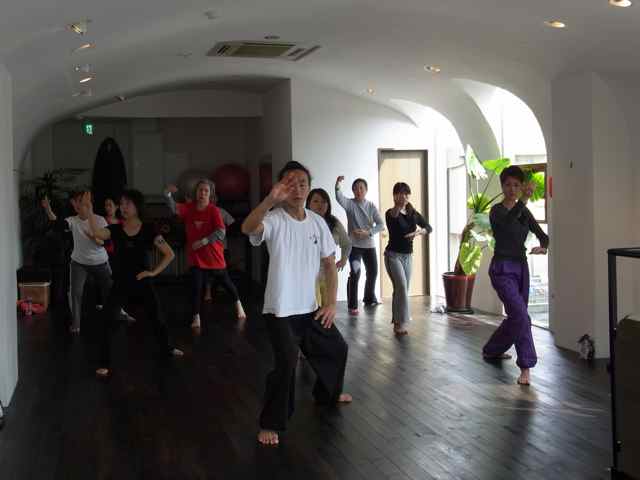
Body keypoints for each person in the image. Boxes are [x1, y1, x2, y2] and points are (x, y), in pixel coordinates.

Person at [242, 161, 352, 446]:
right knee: (287, 362)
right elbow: (247, 227)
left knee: (337, 348)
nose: (297, 188)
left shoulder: (317, 222)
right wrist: (269, 200)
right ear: (280, 188)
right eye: (290, 183)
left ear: (309, 187)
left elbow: (329, 265)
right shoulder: (274, 218)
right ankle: (271, 423)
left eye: (302, 183)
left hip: (310, 308)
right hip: (280, 310)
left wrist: (330, 304)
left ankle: (326, 394)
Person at [82, 190, 184, 378]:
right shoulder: (115, 229)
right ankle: (104, 362)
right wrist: (89, 211)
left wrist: (153, 272)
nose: (123, 207)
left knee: (157, 317)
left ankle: (168, 348)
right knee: (107, 319)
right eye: (121, 204)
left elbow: (169, 254)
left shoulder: (149, 229)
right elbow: (97, 233)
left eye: (127, 203)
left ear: (137, 206)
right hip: (120, 282)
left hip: (142, 281)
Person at [481, 166, 548, 386]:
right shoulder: (496, 211)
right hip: (502, 268)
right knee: (521, 316)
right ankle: (526, 367)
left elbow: (543, 236)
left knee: (516, 317)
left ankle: (492, 349)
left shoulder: (524, 211)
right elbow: (507, 224)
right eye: (508, 185)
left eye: (516, 185)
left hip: (521, 268)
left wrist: (543, 247)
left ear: (521, 187)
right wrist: (524, 201)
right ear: (502, 186)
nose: (512, 189)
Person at [164, 180, 246, 331]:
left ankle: (238, 304)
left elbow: (221, 232)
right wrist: (167, 194)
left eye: (206, 191)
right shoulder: (189, 208)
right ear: (196, 192)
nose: (202, 193)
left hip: (214, 256)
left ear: (210, 194)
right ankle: (196, 317)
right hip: (196, 257)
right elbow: (174, 208)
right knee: (196, 287)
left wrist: (203, 241)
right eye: (200, 190)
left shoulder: (214, 210)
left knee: (226, 283)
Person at [42, 191, 113, 334]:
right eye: (76, 202)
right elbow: (58, 225)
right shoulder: (73, 220)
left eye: (81, 201)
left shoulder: (100, 220)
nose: (78, 205)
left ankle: (113, 318)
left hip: (100, 262)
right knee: (75, 293)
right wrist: (48, 210)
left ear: (89, 204)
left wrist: (93, 237)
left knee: (110, 290)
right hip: (79, 262)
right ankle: (76, 324)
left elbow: (105, 243)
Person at [384, 182, 432, 335]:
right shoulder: (390, 212)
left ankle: (397, 322)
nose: (403, 196)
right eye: (400, 193)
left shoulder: (413, 213)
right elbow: (394, 216)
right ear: (394, 196)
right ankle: (402, 322)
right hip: (393, 256)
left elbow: (428, 227)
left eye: (406, 193)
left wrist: (417, 233)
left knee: (401, 289)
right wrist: (398, 206)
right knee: (402, 287)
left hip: (408, 256)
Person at [335, 176, 385, 315]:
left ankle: (369, 298)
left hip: (369, 246)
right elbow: (339, 197)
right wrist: (338, 184)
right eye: (356, 188)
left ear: (366, 190)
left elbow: (381, 225)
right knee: (355, 273)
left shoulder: (371, 206)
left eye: (361, 188)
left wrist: (368, 232)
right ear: (353, 191)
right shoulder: (349, 204)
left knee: (373, 272)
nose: (358, 191)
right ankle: (352, 305)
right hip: (354, 246)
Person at [306, 188, 351, 307]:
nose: (320, 205)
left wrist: (344, 259)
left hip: (328, 274)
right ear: (308, 203)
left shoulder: (334, 222)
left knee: (327, 309)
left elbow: (347, 243)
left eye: (324, 201)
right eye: (316, 201)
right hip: (309, 275)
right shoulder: (303, 221)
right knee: (313, 309)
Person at [102, 196, 136, 323]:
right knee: (109, 282)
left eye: (110, 205)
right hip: (105, 255)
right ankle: (110, 307)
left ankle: (119, 309)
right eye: (106, 205)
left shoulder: (122, 222)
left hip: (119, 255)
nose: (107, 208)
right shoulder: (102, 221)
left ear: (116, 207)